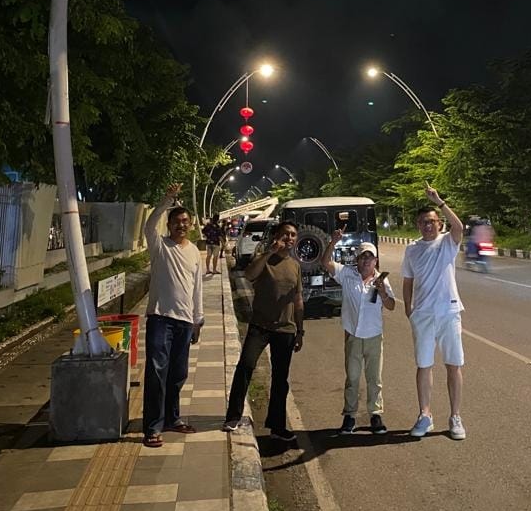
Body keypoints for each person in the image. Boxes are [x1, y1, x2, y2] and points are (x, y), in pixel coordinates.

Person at [223, 221, 304, 440]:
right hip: (260, 326)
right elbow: (249, 275)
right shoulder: (264, 259)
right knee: (246, 366)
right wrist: (269, 252)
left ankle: (277, 426)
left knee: (280, 379)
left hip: (285, 329)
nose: (289, 238)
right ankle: (233, 416)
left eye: (293, 234)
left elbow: (297, 300)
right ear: (276, 237)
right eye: (285, 234)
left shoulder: (295, 265)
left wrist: (300, 330)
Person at [402, 184, 466, 440]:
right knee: (424, 365)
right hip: (424, 315)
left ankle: (455, 416)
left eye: (431, 221)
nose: (427, 225)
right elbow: (407, 281)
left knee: (453, 365)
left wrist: (439, 201)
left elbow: (459, 227)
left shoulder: (448, 243)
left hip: (449, 313)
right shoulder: (412, 249)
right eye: (423, 222)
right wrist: (409, 309)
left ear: (439, 223)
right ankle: (425, 415)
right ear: (418, 225)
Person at [142, 183, 204, 448]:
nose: (182, 225)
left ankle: (173, 419)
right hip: (160, 318)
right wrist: (167, 199)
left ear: (191, 225)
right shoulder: (159, 247)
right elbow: (149, 224)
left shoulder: (193, 252)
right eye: (177, 221)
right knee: (157, 373)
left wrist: (198, 319)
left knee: (178, 374)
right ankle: (153, 427)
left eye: (185, 221)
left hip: (184, 322)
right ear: (169, 225)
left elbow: (197, 288)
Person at [321, 231, 395, 435]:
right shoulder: (347, 274)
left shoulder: (382, 280)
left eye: (370, 257)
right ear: (357, 259)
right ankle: (350, 416)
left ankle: (375, 414)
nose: (366, 261)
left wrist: (381, 291)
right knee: (352, 378)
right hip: (353, 335)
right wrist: (333, 241)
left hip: (373, 336)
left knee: (374, 378)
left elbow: (391, 306)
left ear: (375, 260)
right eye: (363, 256)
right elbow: (325, 262)